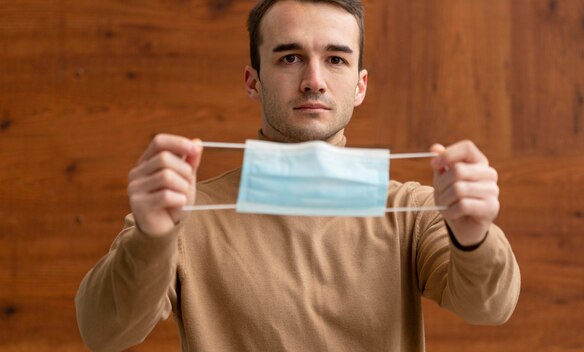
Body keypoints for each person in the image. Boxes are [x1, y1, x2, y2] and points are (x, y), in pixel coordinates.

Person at [75, 0, 521, 351]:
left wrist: (475, 237)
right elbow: (104, 332)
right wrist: (153, 236)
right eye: (290, 58)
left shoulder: (413, 211)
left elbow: (490, 308)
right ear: (253, 81)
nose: (313, 80)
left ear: (360, 85)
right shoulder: (183, 215)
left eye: (336, 60)